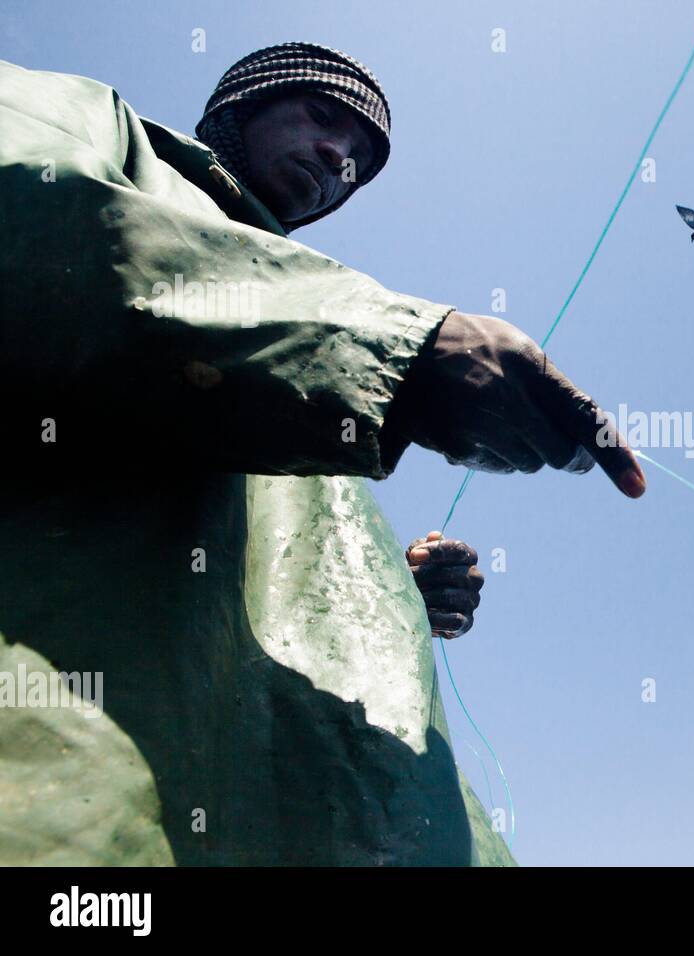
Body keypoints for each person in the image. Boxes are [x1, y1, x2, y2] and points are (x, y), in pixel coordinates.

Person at [0, 42, 644, 866]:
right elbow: (47, 230)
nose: (340, 159)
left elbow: (271, 566)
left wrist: (382, 592)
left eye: (360, 162)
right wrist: (398, 350)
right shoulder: (91, 124)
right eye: (324, 119)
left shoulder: (307, 328)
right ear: (241, 108)